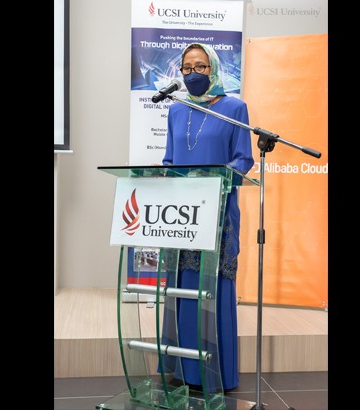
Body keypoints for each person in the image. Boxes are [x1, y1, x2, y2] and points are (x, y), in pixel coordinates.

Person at [159, 43, 254, 392]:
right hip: (182, 216)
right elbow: (170, 159)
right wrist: (166, 177)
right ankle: (183, 368)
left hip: (217, 214)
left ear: (213, 69)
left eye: (200, 67)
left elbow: (244, 159)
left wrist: (213, 180)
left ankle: (217, 372)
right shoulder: (177, 109)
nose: (193, 74)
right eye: (186, 68)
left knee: (213, 289)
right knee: (182, 287)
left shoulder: (234, 108)